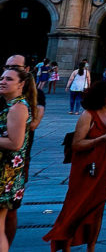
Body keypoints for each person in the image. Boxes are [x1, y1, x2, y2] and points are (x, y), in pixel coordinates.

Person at [43, 79, 106, 252]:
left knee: (97, 209)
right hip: (86, 171)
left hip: (103, 169)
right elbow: (77, 144)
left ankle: (91, 248)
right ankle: (66, 246)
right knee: (76, 208)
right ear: (103, 96)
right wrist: (101, 139)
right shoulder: (88, 115)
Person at [0, 67, 34, 252]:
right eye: (2, 77)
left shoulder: (17, 108)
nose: (3, 81)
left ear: (21, 84)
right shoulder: (12, 105)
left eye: (9, 79)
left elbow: (15, 142)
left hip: (5, 175)